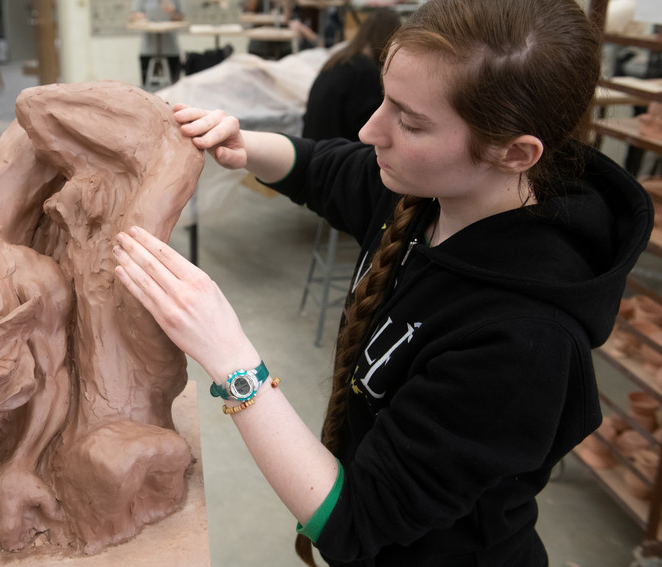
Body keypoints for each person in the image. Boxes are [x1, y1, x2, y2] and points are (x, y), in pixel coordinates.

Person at [112, 0, 654, 565]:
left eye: (411, 122)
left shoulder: (526, 341)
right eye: (385, 100)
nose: (372, 130)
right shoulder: (427, 191)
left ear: (514, 152)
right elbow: (317, 166)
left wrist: (230, 358)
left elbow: (352, 520)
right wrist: (242, 142)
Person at [302, 7, 400, 142]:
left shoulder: (340, 59)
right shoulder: (365, 73)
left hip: (316, 148)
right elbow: (369, 131)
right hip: (334, 154)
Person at [129, 0, 184, 87]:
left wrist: (172, 11)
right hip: (148, 47)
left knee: (174, 85)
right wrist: (139, 17)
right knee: (149, 88)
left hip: (170, 47)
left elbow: (181, 17)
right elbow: (133, 16)